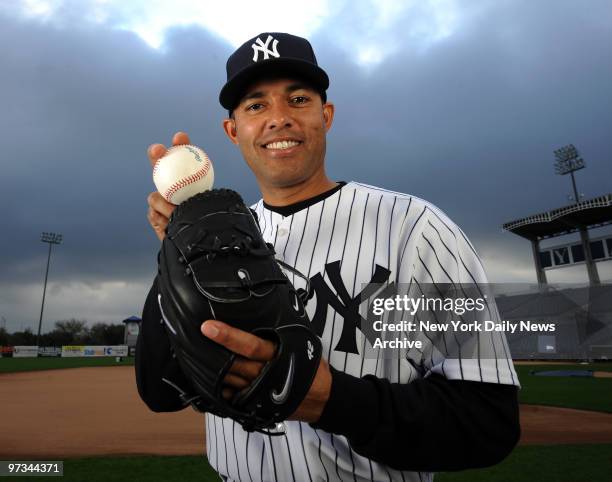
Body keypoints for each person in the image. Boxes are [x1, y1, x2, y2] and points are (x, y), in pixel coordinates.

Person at [136, 32, 520, 482]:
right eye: (256, 105)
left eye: (297, 99)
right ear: (232, 130)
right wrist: (175, 247)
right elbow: (162, 391)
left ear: (326, 115)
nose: (279, 119)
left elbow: (488, 421)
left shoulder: (415, 228)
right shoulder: (211, 241)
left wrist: (331, 401)